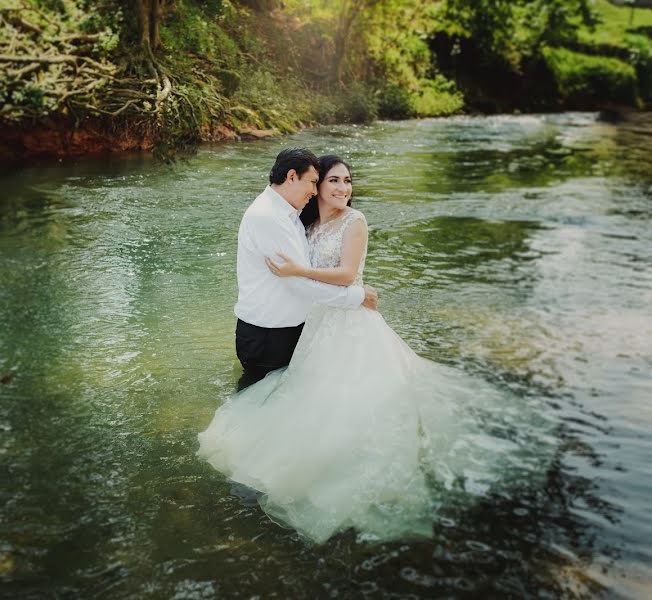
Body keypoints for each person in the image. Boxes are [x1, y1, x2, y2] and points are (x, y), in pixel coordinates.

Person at [198, 155, 521, 544]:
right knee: (307, 392)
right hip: (313, 322)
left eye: (347, 181)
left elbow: (348, 275)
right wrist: (333, 287)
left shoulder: (355, 221)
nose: (342, 188)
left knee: (354, 398)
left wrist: (310, 276)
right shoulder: (302, 220)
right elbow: (313, 281)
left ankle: (337, 464)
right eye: (331, 180)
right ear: (311, 185)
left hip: (346, 322)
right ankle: (301, 458)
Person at [233, 147, 377, 391]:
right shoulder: (268, 217)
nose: (313, 189)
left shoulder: (293, 214)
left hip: (301, 329)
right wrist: (358, 296)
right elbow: (297, 282)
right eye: (314, 182)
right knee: (259, 399)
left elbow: (307, 272)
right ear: (291, 177)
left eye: (347, 181)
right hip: (268, 335)